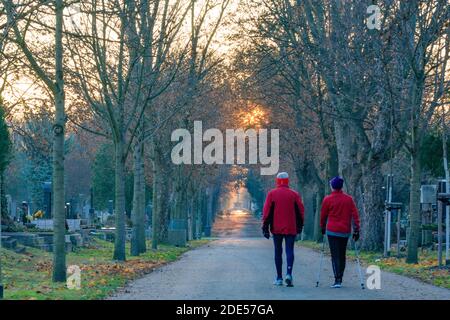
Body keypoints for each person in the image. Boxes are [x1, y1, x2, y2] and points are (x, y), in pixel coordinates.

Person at [262, 172, 304, 287]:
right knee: (290, 250)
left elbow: (267, 212)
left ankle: (279, 277)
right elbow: (300, 211)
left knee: (278, 251)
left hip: (276, 227)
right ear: (287, 181)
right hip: (291, 227)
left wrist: (265, 227)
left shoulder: (272, 194)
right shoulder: (294, 194)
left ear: (277, 181)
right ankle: (289, 274)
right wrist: (300, 225)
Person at [320, 176, 360, 288]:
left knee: (335, 255)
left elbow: (323, 215)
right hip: (344, 231)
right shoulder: (349, 199)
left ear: (332, 186)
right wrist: (356, 229)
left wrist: (322, 227)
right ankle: (340, 277)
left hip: (332, 230)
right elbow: (355, 215)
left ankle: (337, 279)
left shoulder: (327, 199)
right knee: (342, 254)